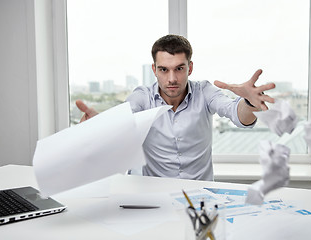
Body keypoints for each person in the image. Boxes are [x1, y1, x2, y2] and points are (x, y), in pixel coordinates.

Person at [76, 34, 275, 181]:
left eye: (179, 69)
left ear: (190, 67)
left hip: (201, 197)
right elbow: (122, 122)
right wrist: (100, 124)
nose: (172, 79)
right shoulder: (142, 97)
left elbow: (237, 114)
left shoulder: (204, 91)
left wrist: (249, 103)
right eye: (164, 69)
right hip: (154, 197)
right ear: (154, 69)